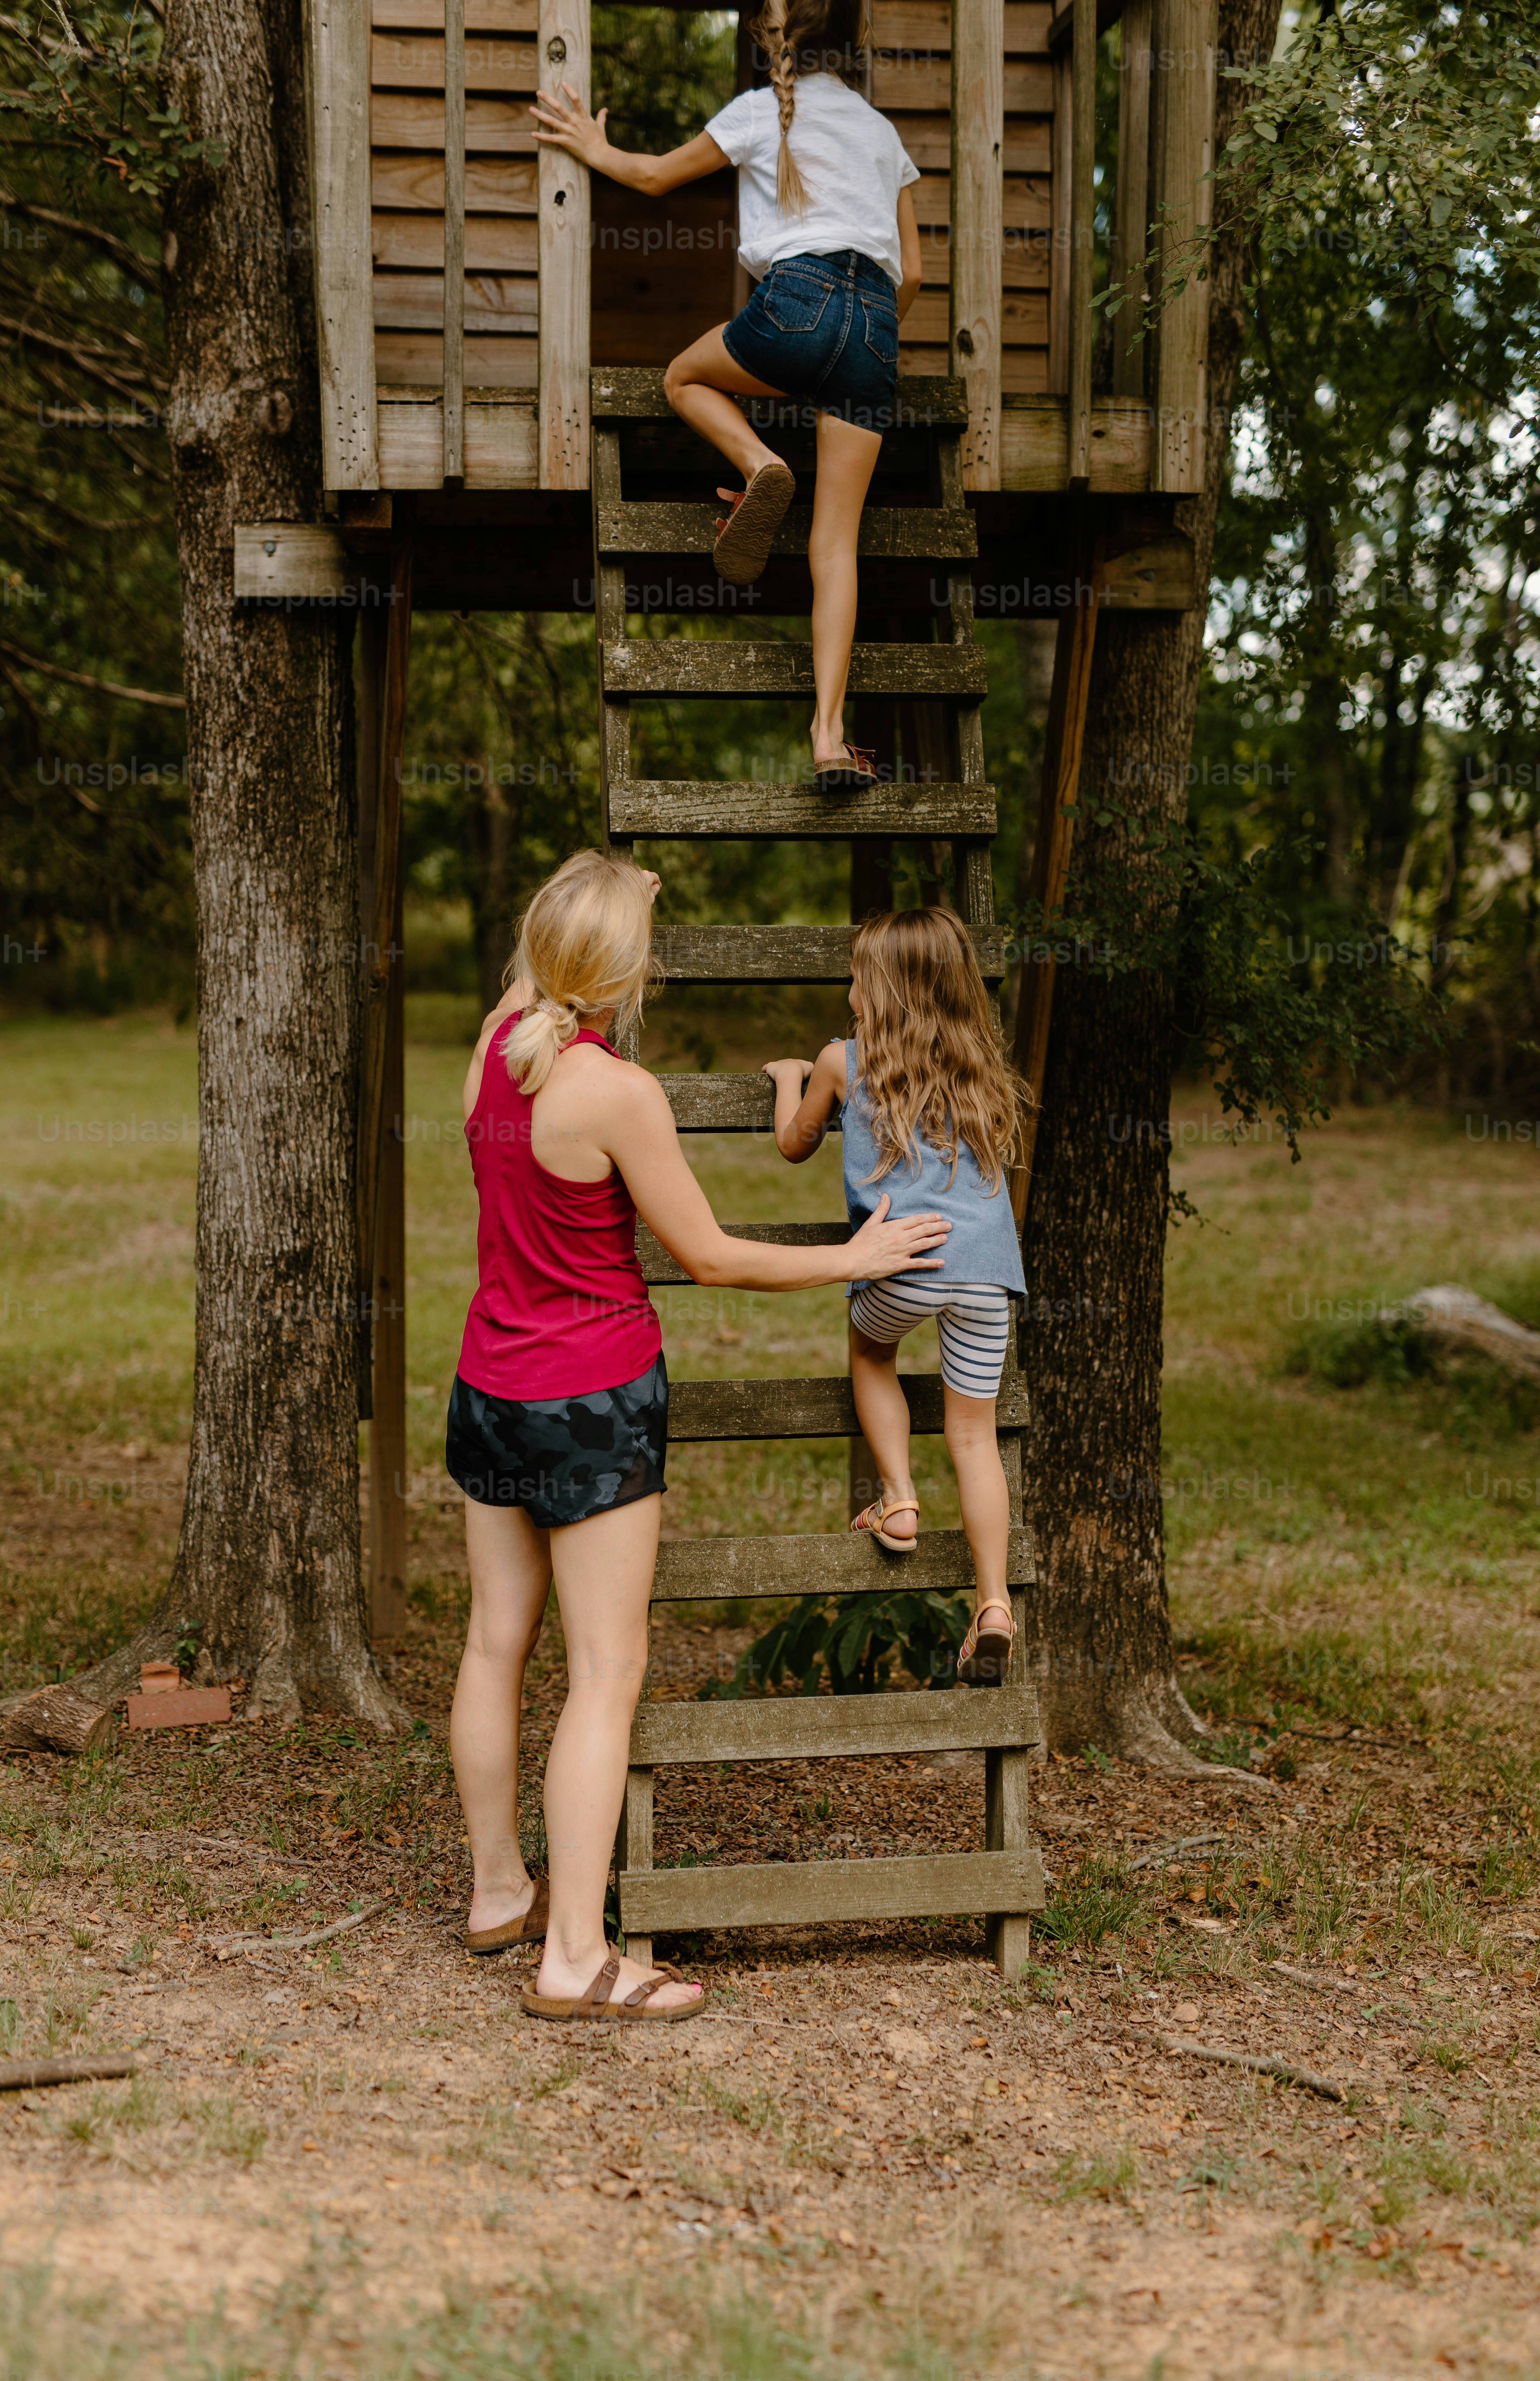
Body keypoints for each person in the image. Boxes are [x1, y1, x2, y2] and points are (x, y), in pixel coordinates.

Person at [448, 851, 950, 2020]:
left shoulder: (494, 1042)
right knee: (607, 1673)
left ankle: (494, 1891)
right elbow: (711, 1256)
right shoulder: (615, 1092)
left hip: (488, 1382)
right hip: (591, 1398)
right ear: (626, 970)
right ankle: (575, 1958)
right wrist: (855, 1256)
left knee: (492, 1643)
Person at [531, 0, 922, 794]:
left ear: (770, 44)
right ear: (849, 47)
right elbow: (911, 272)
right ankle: (826, 737)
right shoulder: (883, 134)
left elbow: (651, 177)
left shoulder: (757, 112)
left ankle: (757, 459)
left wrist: (592, 143)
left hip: (797, 303)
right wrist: (862, 341)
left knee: (683, 376)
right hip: (876, 328)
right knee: (834, 546)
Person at [762, 907, 1027, 1685]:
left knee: (871, 1351)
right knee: (973, 1438)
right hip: (986, 1274)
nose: (848, 989)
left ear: (878, 989)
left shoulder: (843, 1060)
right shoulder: (979, 1058)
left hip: (902, 1268)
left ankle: (898, 1497)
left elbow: (793, 1144)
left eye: (855, 976)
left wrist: (789, 1079)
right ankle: (993, 1604)